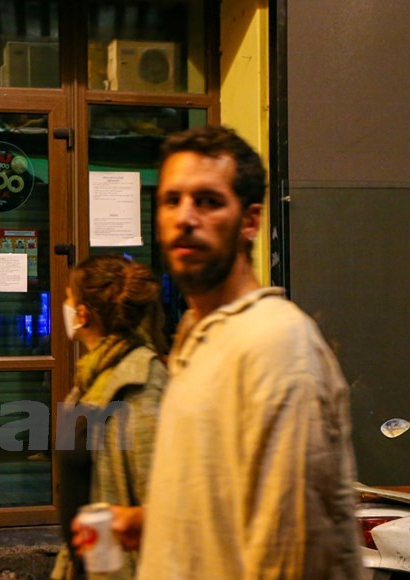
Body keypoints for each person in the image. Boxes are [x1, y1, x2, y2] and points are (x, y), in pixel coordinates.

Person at [74, 125, 360, 578]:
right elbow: (224, 497)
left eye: (207, 201)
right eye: (172, 200)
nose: (185, 217)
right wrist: (151, 521)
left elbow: (294, 551)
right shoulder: (196, 335)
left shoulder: (275, 345)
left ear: (250, 221)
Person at [53, 255, 168, 580]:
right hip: (84, 565)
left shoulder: (141, 381)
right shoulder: (93, 375)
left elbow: (161, 501)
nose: (64, 305)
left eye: (67, 298)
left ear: (83, 314)